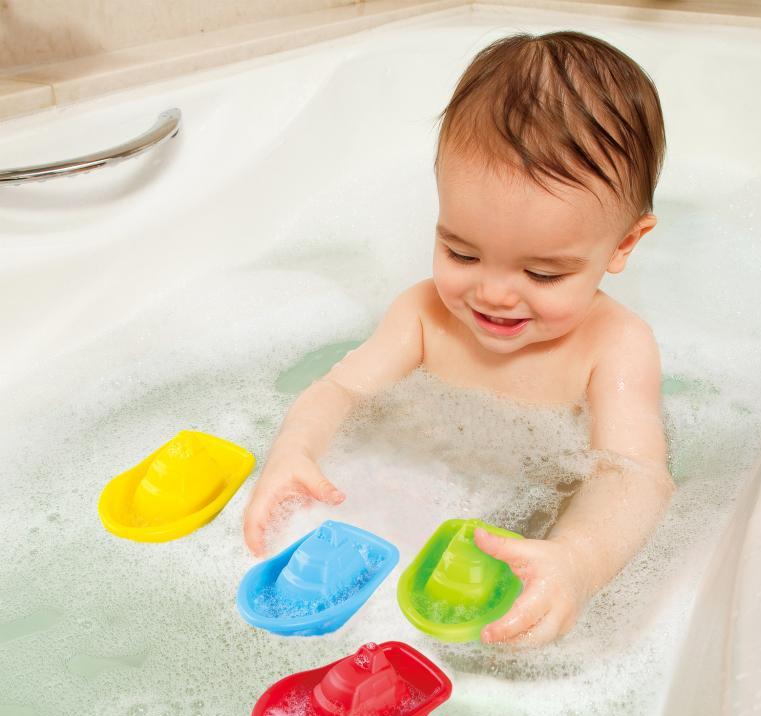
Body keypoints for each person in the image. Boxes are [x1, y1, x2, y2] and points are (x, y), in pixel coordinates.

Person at [243, 30, 676, 646]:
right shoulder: (422, 313)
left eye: (542, 273)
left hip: (517, 545)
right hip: (400, 506)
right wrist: (293, 451)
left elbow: (633, 477)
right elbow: (340, 391)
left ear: (623, 245)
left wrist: (578, 559)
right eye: (461, 253)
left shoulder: (615, 346)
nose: (493, 294)